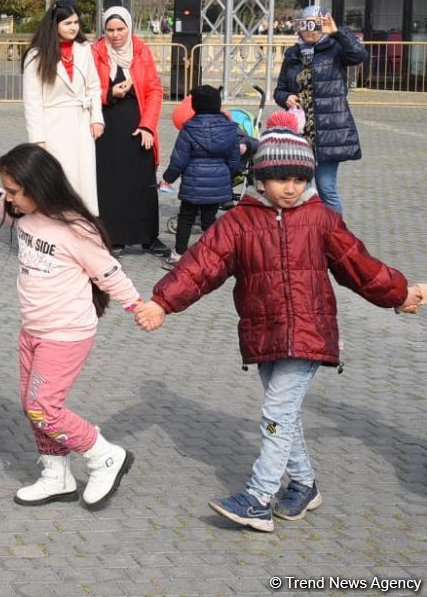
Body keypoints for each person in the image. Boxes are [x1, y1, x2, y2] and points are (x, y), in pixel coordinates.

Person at [138, 112, 424, 532]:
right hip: (264, 333)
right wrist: (163, 302)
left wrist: (399, 294)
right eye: (280, 179)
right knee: (284, 415)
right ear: (260, 178)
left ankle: (258, 497)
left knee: (275, 410)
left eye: (299, 179)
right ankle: (304, 484)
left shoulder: (321, 219)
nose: (290, 188)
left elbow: (359, 266)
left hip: (310, 333)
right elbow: (200, 266)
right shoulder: (238, 223)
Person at [0, 145, 142, 509]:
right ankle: (57, 475)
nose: (10, 198)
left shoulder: (75, 229)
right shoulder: (23, 214)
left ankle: (104, 455)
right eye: (8, 190)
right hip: (33, 331)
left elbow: (108, 273)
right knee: (34, 407)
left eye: (15, 191)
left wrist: (139, 306)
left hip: (66, 334)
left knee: (43, 407)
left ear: (38, 186)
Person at [273, 5, 367, 215]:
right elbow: (279, 90)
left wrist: (337, 32)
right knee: (299, 188)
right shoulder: (293, 54)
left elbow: (359, 55)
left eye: (315, 26)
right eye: (305, 25)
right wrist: (285, 97)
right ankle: (303, 229)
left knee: (326, 188)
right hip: (300, 132)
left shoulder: (336, 49)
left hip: (330, 130)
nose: (310, 31)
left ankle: (335, 232)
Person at [91, 5, 166, 255]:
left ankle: (148, 236)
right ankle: (114, 237)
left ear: (129, 27)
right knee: (110, 180)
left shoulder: (141, 50)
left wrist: (148, 126)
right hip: (107, 125)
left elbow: (154, 90)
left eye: (120, 29)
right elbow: (87, 91)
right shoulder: (95, 52)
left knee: (142, 180)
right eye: (110, 30)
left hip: (138, 123)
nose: (115, 35)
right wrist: (110, 93)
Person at [22, 0, 103, 213]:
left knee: (84, 180)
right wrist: (38, 139)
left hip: (82, 123)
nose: (74, 27)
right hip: (53, 127)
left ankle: (83, 221)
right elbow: (32, 101)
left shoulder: (84, 50)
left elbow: (94, 86)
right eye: (68, 23)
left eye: (76, 22)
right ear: (55, 24)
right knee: (59, 177)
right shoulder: (36, 55)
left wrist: (97, 118)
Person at [159, 85, 243, 268]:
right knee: (209, 219)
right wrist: (226, 177)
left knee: (186, 218)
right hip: (218, 182)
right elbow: (234, 159)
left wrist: (168, 178)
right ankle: (212, 255)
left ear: (195, 106)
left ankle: (179, 254)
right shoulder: (229, 129)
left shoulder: (189, 129)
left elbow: (179, 159)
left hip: (193, 182)